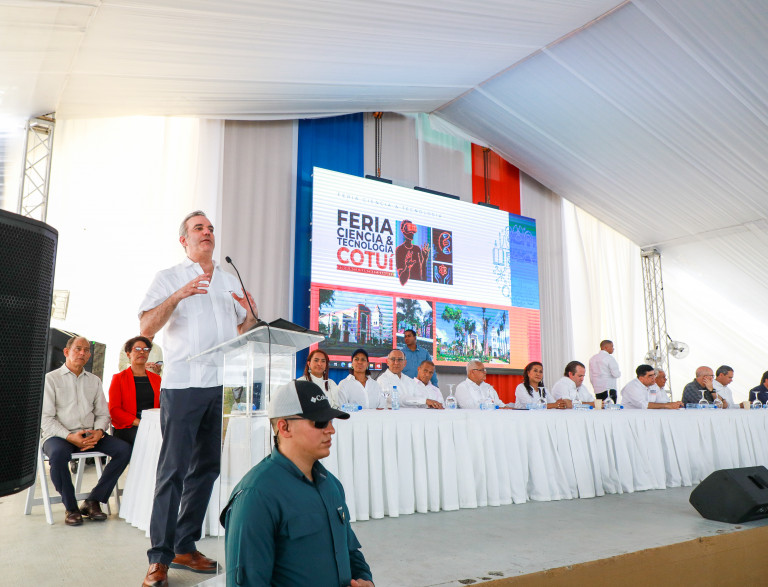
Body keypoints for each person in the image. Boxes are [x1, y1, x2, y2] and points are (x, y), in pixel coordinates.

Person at [141, 211, 259, 587]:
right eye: (198, 228)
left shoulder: (228, 280)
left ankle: (184, 545)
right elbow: (146, 326)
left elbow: (241, 331)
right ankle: (158, 557)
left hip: (222, 387)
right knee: (173, 471)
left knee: (207, 468)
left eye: (210, 228)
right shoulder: (168, 277)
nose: (207, 232)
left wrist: (251, 315)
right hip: (183, 385)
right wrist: (178, 295)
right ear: (184, 240)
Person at [221, 380, 373, 586]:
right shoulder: (256, 496)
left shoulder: (331, 485)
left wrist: (364, 579)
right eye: (320, 422)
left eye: (331, 421)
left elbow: (350, 550)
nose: (331, 430)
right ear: (284, 427)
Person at [41, 335, 131, 526]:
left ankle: (93, 500)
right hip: (59, 436)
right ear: (66, 352)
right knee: (58, 455)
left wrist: (98, 431)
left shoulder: (94, 381)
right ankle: (71, 508)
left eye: (86, 350)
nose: (82, 353)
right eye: (78, 349)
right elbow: (45, 418)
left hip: (90, 434)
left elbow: (103, 413)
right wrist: (69, 436)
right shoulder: (51, 379)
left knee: (124, 450)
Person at [108, 336, 162, 447]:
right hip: (128, 427)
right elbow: (114, 410)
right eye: (137, 349)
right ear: (128, 354)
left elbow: (163, 405)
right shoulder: (118, 378)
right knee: (150, 439)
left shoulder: (157, 379)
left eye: (146, 349)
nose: (142, 352)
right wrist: (141, 423)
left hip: (153, 424)